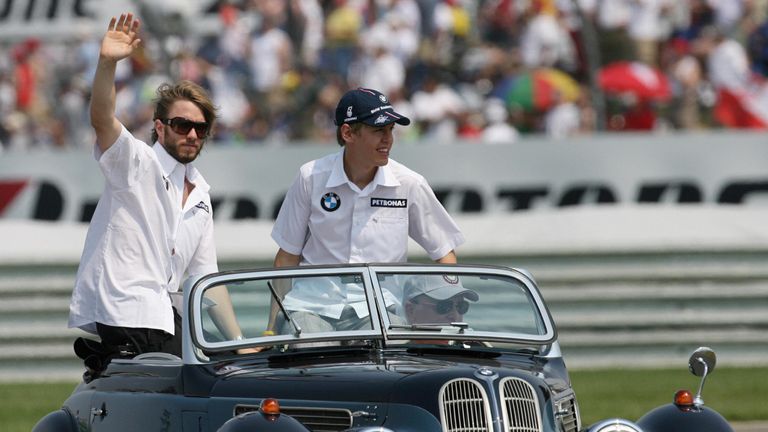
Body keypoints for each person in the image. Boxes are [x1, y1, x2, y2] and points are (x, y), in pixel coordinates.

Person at [68, 13, 250, 377]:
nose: (192, 135)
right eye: (182, 125)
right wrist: (107, 64)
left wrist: (242, 343)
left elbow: (205, 282)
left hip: (163, 317)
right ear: (160, 128)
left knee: (221, 374)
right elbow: (102, 119)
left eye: (201, 128)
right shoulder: (135, 162)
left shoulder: (201, 195)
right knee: (199, 384)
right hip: (125, 310)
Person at [269, 87, 465, 333]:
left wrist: (450, 315)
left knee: (396, 346)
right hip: (312, 307)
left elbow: (445, 253)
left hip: (381, 311)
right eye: (378, 130)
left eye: (390, 130)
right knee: (304, 345)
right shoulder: (310, 177)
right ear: (348, 133)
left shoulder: (410, 183)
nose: (388, 139)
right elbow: (286, 257)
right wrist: (270, 332)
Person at [403, 274, 478, 325]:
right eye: (444, 306)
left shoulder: (474, 346)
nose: (455, 315)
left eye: (461, 306)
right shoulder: (396, 347)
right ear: (411, 311)